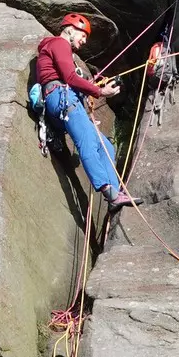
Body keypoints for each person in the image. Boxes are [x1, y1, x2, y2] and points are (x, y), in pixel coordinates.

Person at [34, 13, 136, 210]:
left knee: (105, 146)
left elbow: (69, 79)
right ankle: (108, 191)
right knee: (87, 141)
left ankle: (115, 192)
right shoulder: (59, 43)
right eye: (83, 35)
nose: (84, 40)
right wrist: (99, 91)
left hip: (61, 100)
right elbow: (70, 77)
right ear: (70, 30)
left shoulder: (56, 49)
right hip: (62, 98)